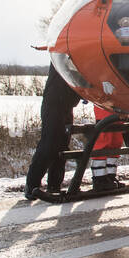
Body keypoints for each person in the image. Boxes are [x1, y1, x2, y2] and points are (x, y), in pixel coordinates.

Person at [25, 63, 83, 198]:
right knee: (49, 144)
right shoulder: (63, 55)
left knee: (62, 146)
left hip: (66, 105)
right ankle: (31, 185)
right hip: (54, 103)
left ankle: (54, 184)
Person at [90, 104, 124, 190]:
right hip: (104, 109)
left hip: (117, 109)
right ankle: (99, 178)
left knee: (115, 143)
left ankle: (110, 177)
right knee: (103, 143)